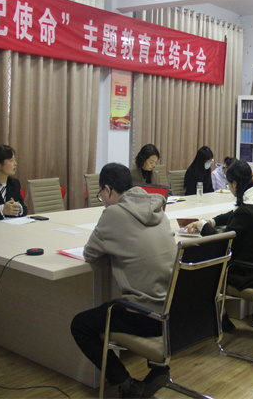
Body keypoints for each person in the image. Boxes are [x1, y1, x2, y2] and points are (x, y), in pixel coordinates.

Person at [70, 163, 177, 398]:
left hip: (145, 315)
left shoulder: (113, 214)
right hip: (173, 311)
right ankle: (158, 369)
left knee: (80, 325)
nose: (102, 200)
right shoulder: (157, 208)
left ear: (108, 190)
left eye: (101, 194)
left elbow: (90, 255)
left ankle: (127, 384)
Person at [185, 159, 253, 292]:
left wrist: (202, 225)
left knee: (195, 260)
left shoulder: (245, 213)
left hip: (245, 273)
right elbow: (234, 213)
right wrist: (212, 222)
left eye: (229, 184)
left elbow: (222, 243)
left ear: (235, 184)